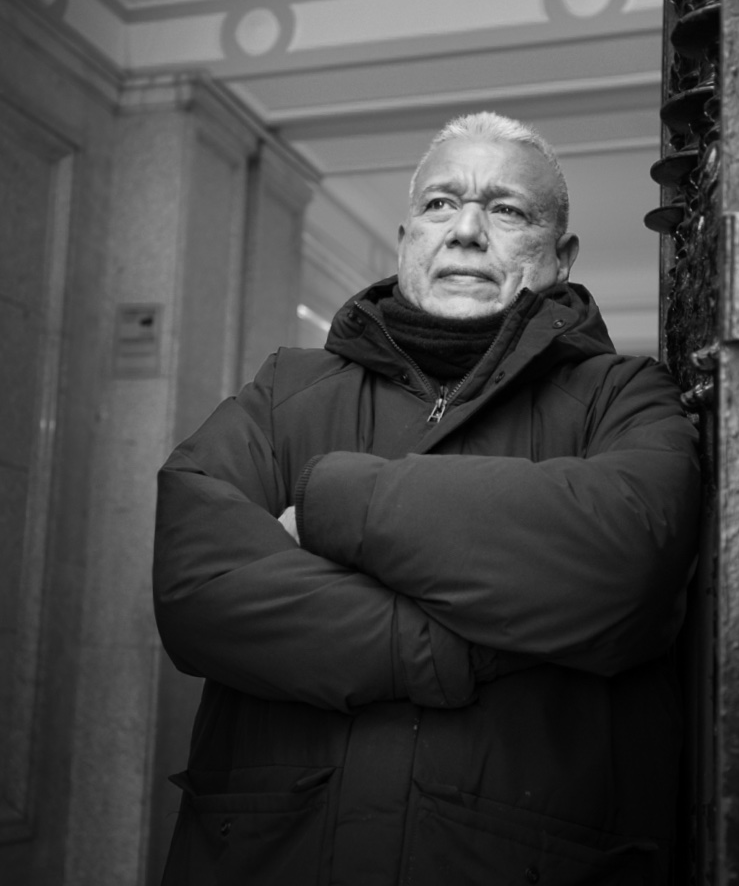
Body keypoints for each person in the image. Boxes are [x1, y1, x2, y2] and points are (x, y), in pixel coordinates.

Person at [153, 112, 700, 885]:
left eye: (507, 210)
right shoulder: (283, 391)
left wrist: (329, 500)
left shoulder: (624, 395)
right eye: (441, 204)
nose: (466, 230)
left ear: (562, 256)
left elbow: (628, 559)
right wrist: (474, 640)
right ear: (407, 237)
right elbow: (201, 587)